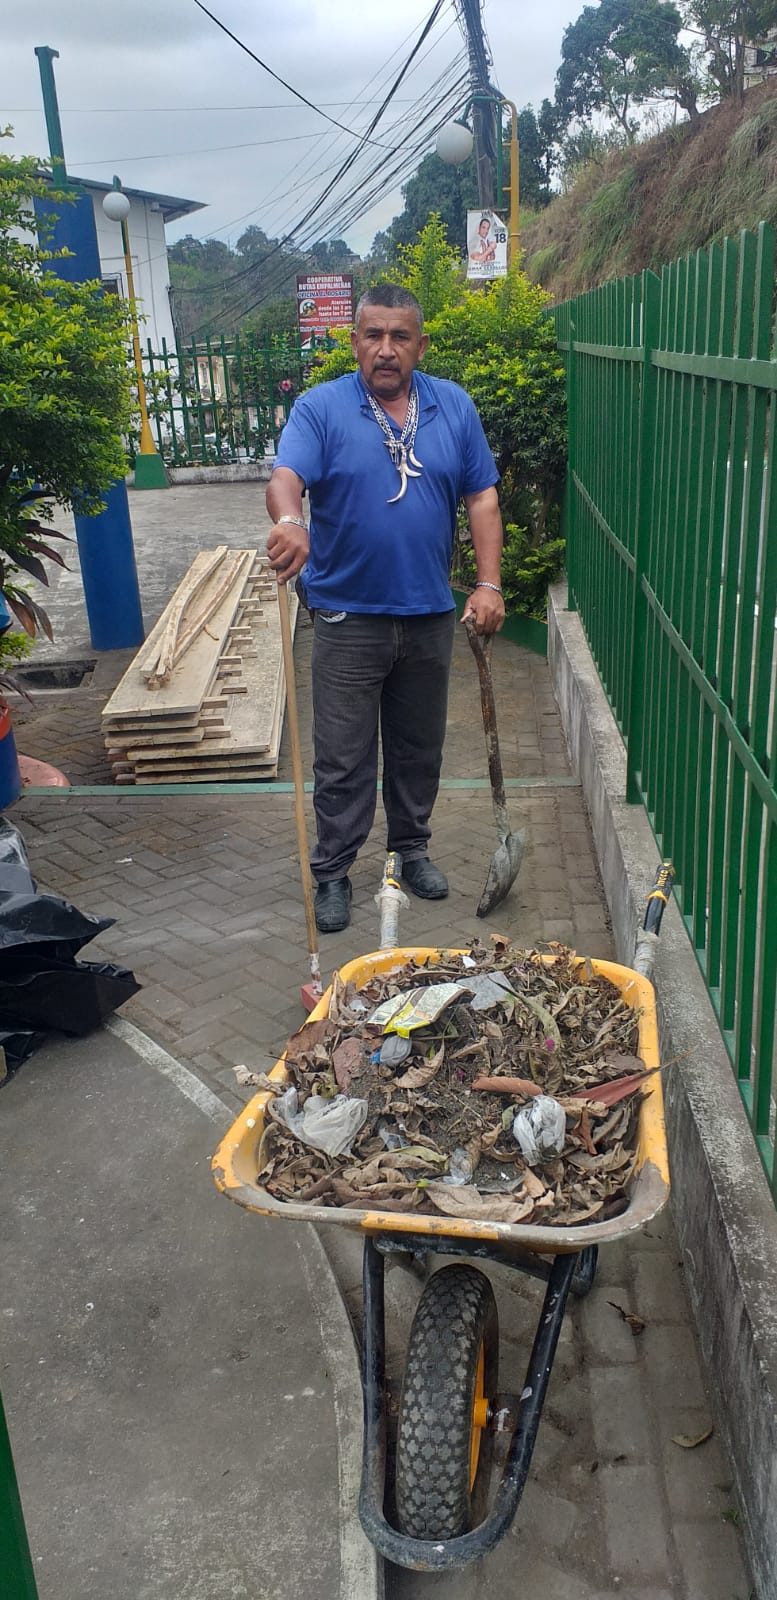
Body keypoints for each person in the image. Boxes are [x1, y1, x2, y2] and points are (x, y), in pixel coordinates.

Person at [266, 283, 505, 934]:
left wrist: (488, 584)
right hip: (347, 617)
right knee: (342, 757)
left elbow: (481, 497)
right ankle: (333, 872)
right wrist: (290, 520)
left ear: (419, 345)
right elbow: (286, 478)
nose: (386, 349)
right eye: (373, 335)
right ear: (355, 343)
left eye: (400, 336)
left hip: (428, 614)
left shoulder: (452, 406)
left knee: (418, 748)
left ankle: (410, 851)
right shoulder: (321, 408)